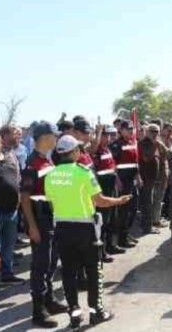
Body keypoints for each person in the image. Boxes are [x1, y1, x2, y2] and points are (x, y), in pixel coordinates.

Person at [44, 135, 130, 328]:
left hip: (62, 229)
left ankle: (74, 314)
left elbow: (52, 205)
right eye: (79, 150)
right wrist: (119, 201)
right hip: (85, 229)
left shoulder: (50, 175)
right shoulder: (83, 172)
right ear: (74, 152)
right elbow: (99, 201)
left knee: (68, 273)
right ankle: (96, 312)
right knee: (93, 271)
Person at [20, 121, 67, 328]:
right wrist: (31, 226)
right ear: (45, 137)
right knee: (40, 265)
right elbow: (24, 196)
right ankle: (38, 311)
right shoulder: (32, 163)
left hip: (51, 217)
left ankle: (49, 301)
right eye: (54, 135)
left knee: (50, 262)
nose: (56, 138)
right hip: (40, 219)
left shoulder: (45, 160)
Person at [0, 128, 24, 285]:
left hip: (12, 209)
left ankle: (7, 274)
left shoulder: (10, 155)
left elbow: (17, 178)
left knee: (8, 245)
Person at [92, 125, 123, 261]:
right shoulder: (96, 150)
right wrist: (98, 133)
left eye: (110, 135)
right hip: (102, 186)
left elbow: (112, 166)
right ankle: (101, 252)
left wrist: (117, 180)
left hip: (112, 185)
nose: (108, 138)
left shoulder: (107, 149)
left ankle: (110, 245)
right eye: (105, 135)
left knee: (112, 219)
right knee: (103, 222)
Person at [111, 120, 141, 249]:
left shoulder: (133, 143)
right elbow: (113, 165)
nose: (130, 131)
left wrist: (138, 176)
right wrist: (117, 180)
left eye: (131, 129)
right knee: (123, 212)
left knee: (132, 209)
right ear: (121, 130)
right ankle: (121, 240)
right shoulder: (117, 145)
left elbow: (135, 162)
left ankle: (126, 234)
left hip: (131, 181)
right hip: (122, 182)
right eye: (128, 129)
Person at [139, 124, 164, 234]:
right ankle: (147, 227)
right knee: (147, 203)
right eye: (152, 131)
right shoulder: (143, 143)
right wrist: (155, 145)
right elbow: (146, 158)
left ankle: (148, 225)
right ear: (147, 132)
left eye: (157, 132)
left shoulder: (156, 143)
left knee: (151, 202)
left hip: (153, 178)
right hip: (145, 177)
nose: (155, 134)